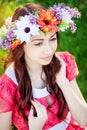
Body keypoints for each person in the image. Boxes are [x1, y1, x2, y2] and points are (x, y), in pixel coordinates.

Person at [0, 2, 86, 130]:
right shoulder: (8, 85)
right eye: (38, 43)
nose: (49, 51)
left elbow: (84, 120)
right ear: (20, 45)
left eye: (52, 39)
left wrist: (63, 83)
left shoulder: (62, 63)